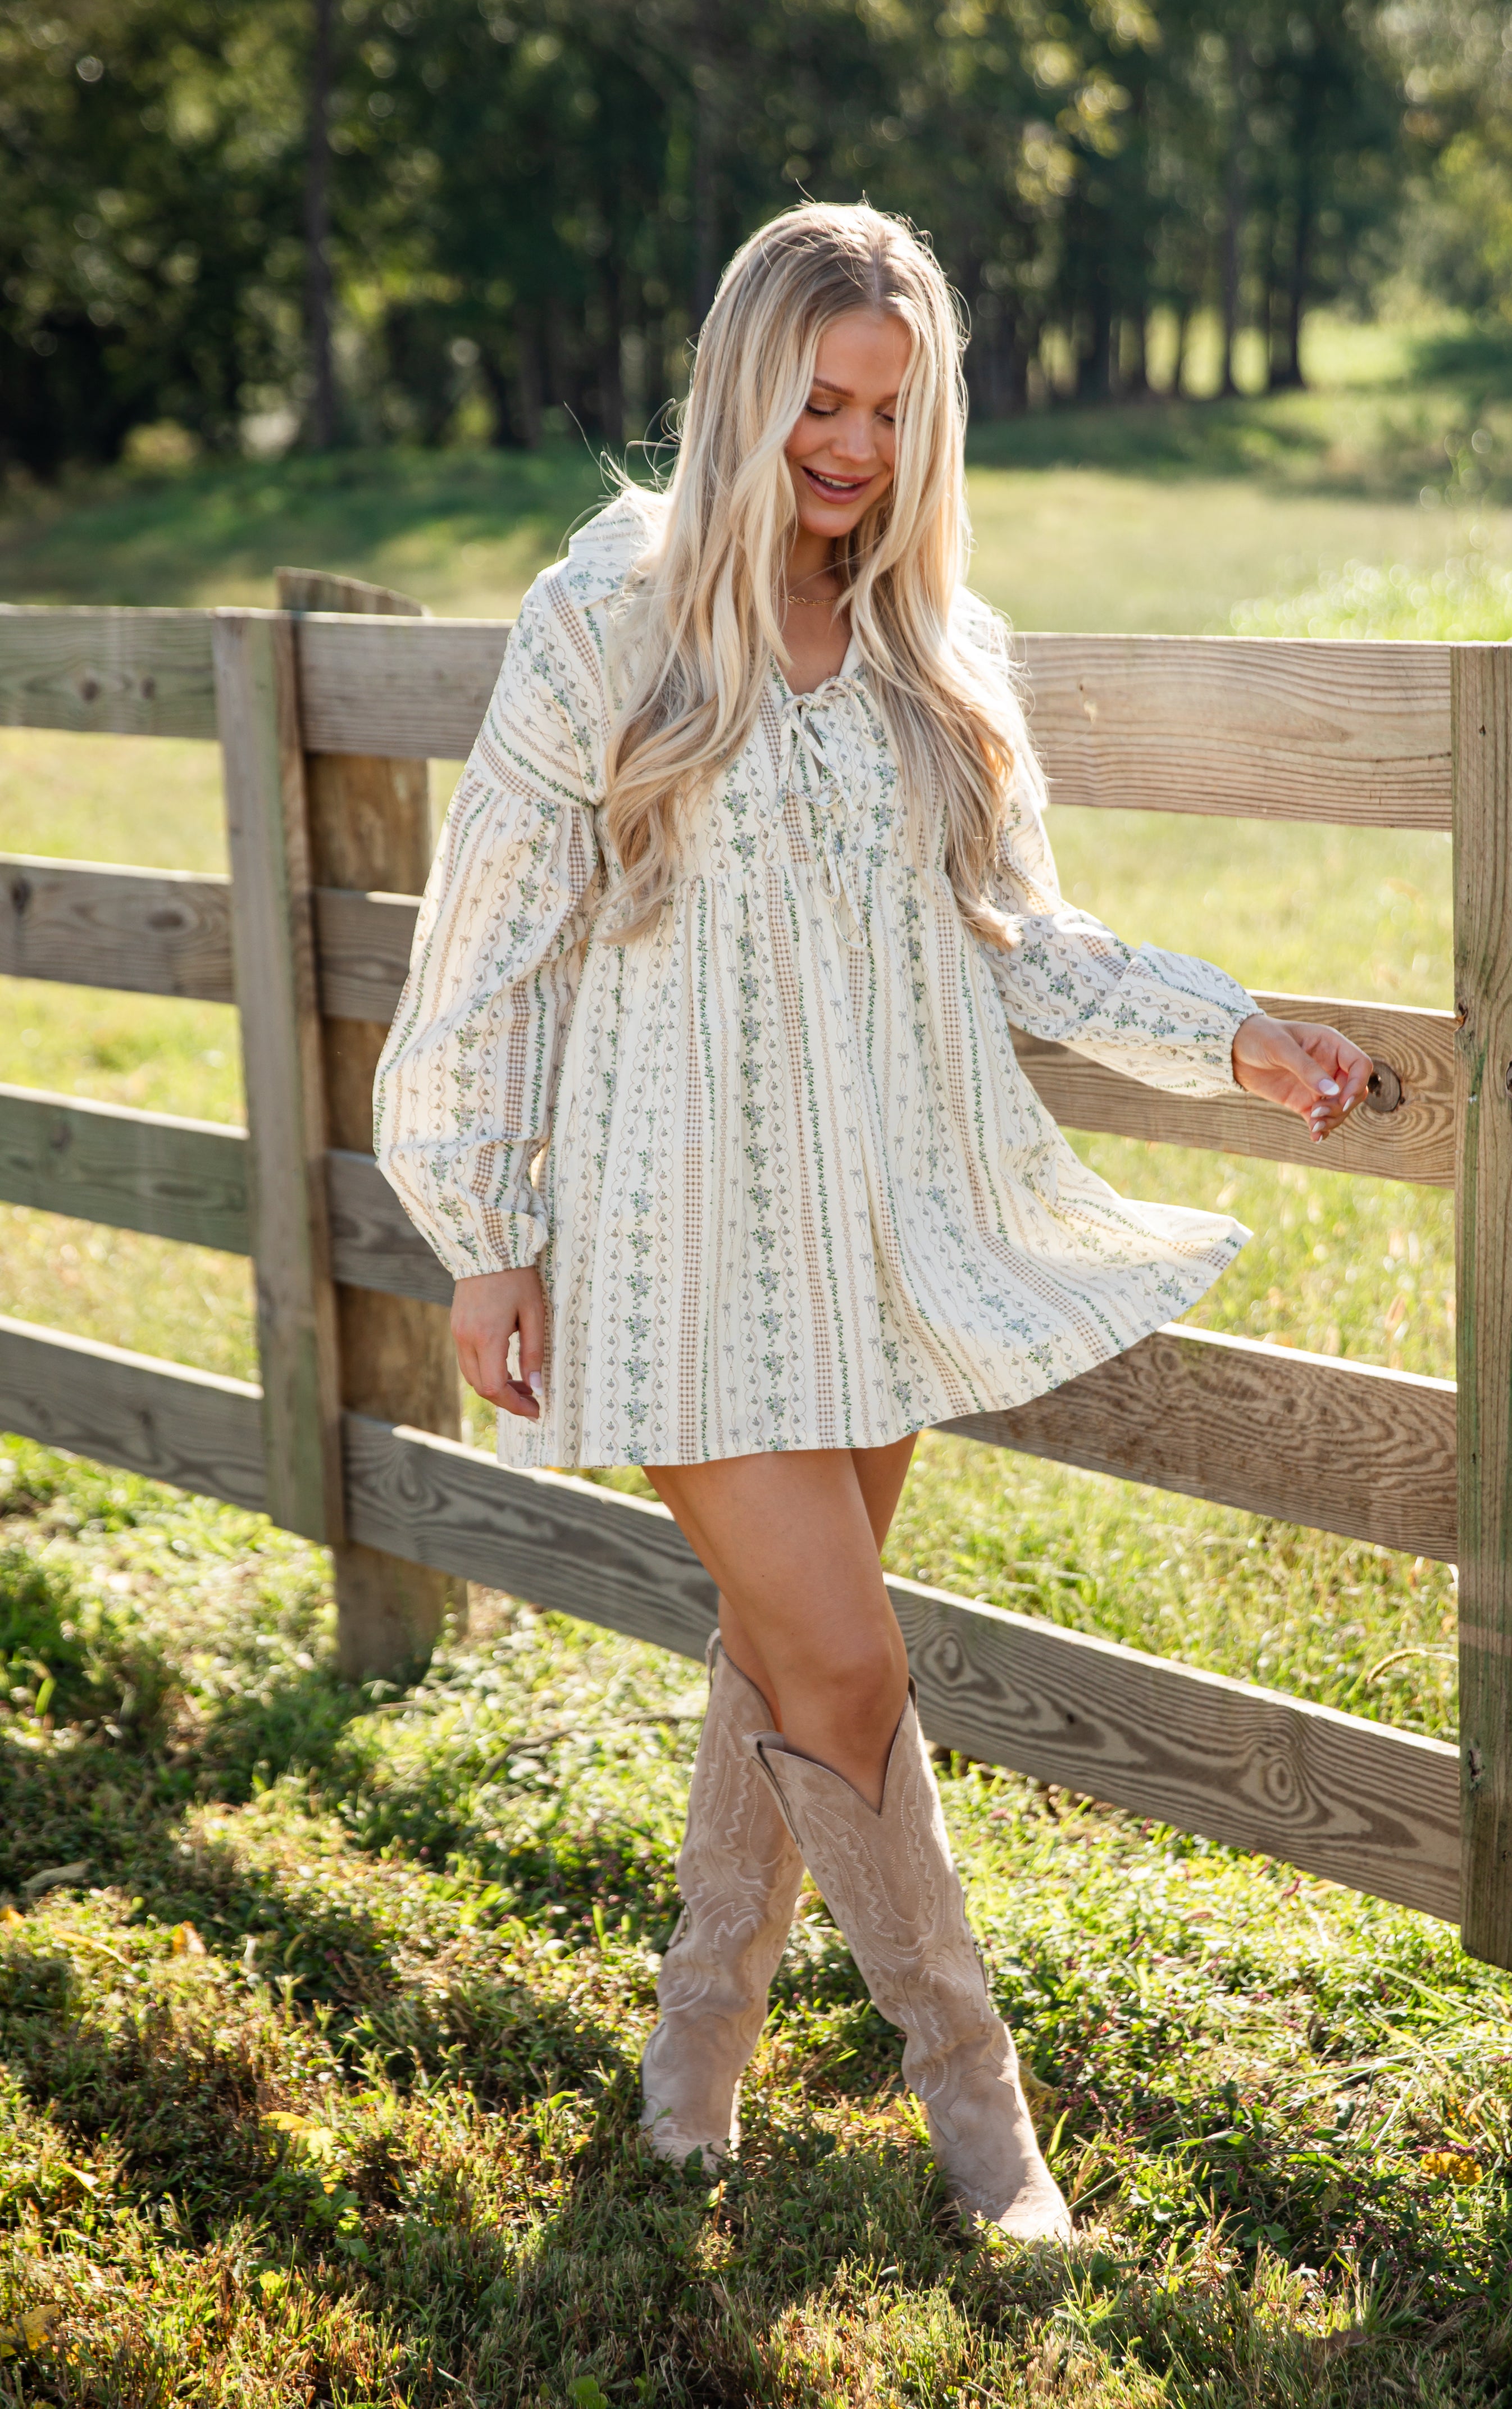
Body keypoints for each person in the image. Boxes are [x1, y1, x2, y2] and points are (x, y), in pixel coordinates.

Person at [373, 201, 1372, 2244]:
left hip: (883, 1237)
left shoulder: (937, 650)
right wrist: (486, 1228)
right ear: (746, 386)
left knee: (784, 1662)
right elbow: (488, 941)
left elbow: (1024, 934)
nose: (850, 447)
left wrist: (1237, 1035)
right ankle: (981, 2121)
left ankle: (693, 2059)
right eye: (821, 402)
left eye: (891, 415)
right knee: (843, 1670)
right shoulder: (607, 620)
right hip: (666, 1247)